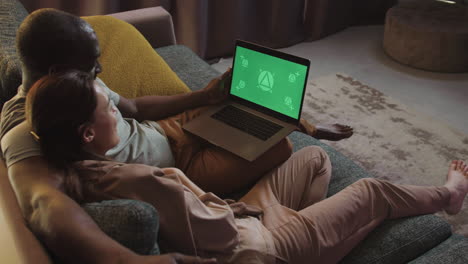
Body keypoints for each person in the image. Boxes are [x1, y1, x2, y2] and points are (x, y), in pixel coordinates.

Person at [0, 8, 351, 264]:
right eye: (92, 64)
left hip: (167, 128)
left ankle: (308, 125)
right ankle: (298, 210)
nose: (100, 71)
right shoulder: (22, 131)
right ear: (58, 72)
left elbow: (135, 108)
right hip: (186, 163)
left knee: (242, 103)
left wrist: (204, 97)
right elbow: (42, 204)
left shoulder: (76, 84)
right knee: (279, 147)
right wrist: (130, 261)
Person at [25, 69, 468, 264]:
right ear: (87, 132)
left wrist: (243, 208)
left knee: (315, 157)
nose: (118, 113)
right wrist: (248, 217)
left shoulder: (80, 164)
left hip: (242, 216)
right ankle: (449, 197)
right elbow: (216, 234)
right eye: (109, 109)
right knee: (370, 192)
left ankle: (314, 238)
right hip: (253, 246)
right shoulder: (136, 179)